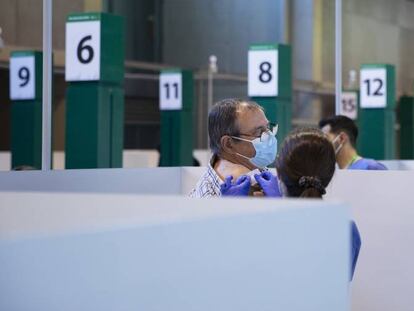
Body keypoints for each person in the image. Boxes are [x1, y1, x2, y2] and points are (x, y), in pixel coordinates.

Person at [221, 128, 361, 280]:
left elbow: (234, 276)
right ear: (329, 174)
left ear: (280, 173)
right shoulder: (346, 228)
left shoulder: (259, 230)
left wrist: (229, 213)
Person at [189, 98, 278, 198]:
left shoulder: (257, 169)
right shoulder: (208, 198)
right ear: (228, 144)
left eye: (267, 128)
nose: (269, 135)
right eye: (258, 132)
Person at [319, 115, 387, 170]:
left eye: (326, 137)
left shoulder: (371, 168)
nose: (322, 143)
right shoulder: (331, 174)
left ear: (342, 138)